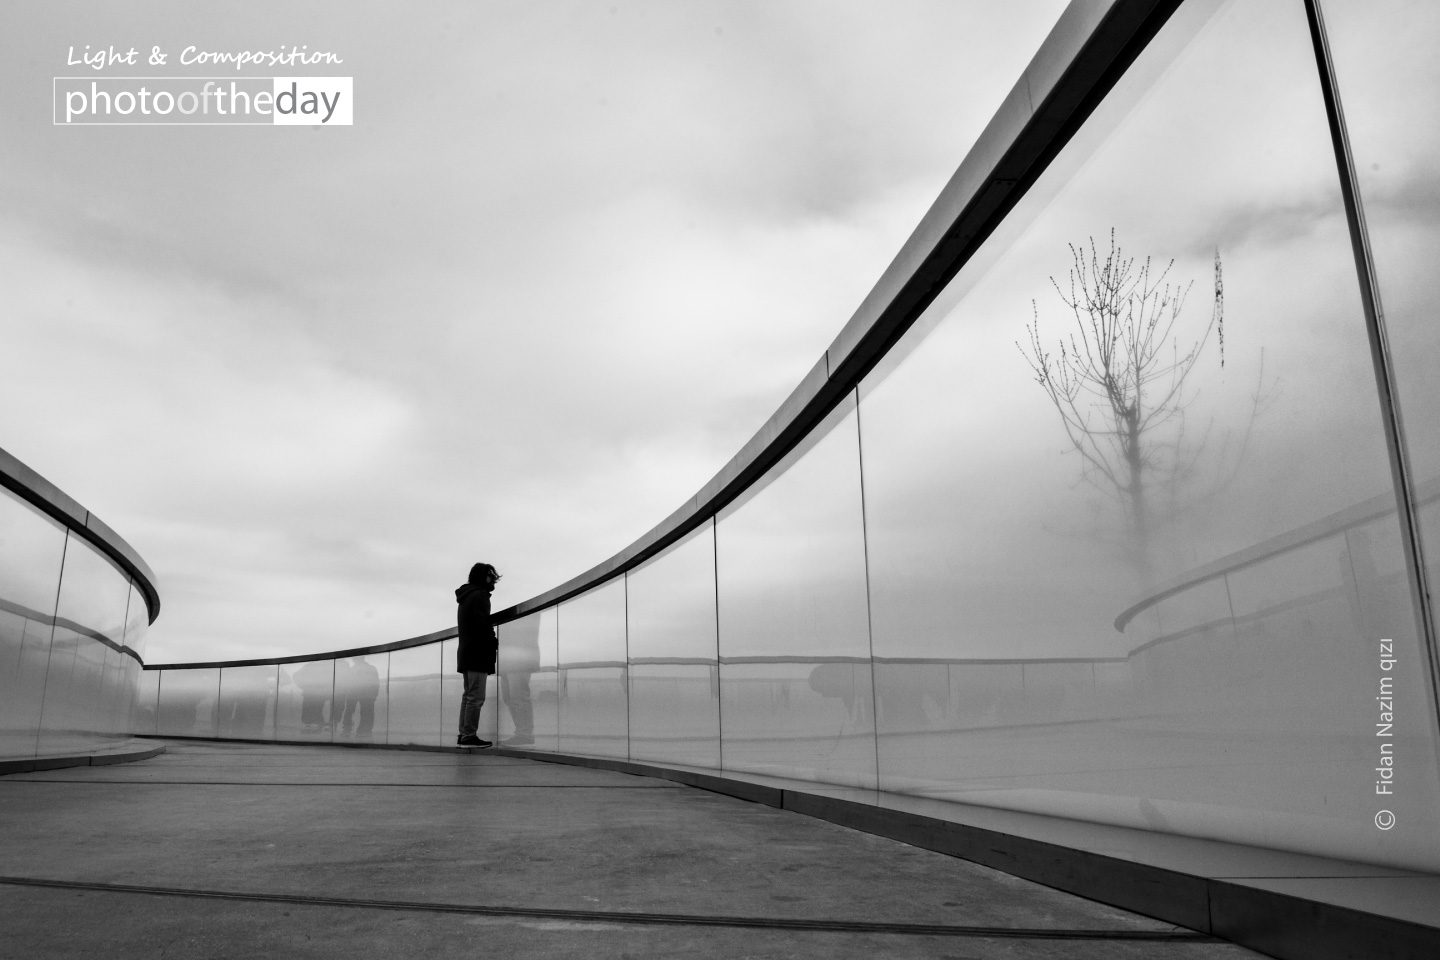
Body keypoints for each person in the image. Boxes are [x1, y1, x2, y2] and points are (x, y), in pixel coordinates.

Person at [456, 562, 500, 747]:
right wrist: (493, 641)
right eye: (490, 576)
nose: (493, 580)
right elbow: (482, 624)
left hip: (467, 652)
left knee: (469, 695)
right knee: (476, 697)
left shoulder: (467, 596)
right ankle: (468, 736)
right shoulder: (479, 595)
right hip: (477, 654)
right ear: (483, 577)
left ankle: (464, 734)